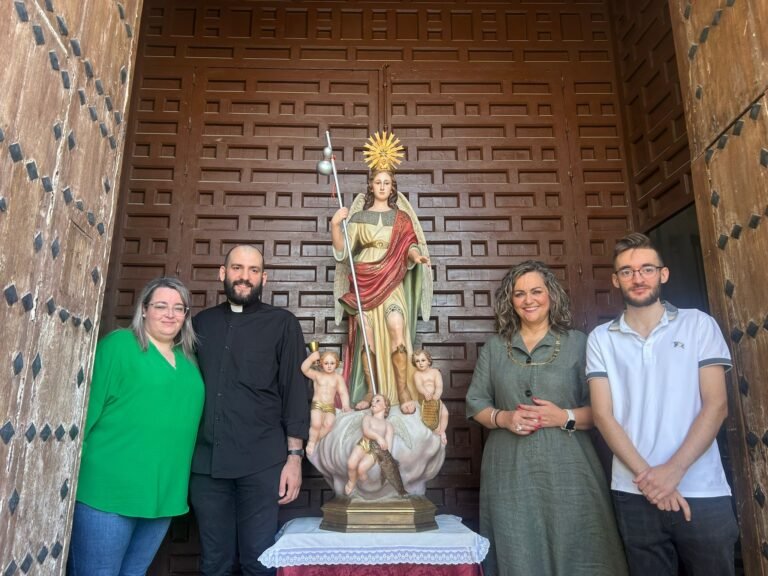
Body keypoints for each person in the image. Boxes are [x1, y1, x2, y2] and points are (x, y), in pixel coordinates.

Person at [587, 232, 738, 576]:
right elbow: (603, 415)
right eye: (626, 271)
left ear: (663, 274)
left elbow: (716, 406)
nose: (637, 278)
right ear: (615, 280)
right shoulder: (600, 339)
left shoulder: (699, 324)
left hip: (701, 488)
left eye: (646, 269)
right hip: (633, 492)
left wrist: (673, 472)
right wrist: (649, 479)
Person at [465, 260, 627, 576]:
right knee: (517, 546)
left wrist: (563, 416)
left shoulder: (580, 343)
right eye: (519, 294)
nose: (529, 300)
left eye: (536, 291)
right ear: (510, 302)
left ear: (550, 295)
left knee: (580, 545)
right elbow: (476, 404)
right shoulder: (495, 348)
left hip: (569, 468)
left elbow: (604, 411)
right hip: (510, 470)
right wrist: (505, 418)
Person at [68, 277, 204, 575]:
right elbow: (86, 413)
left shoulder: (189, 360)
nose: (170, 314)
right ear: (144, 310)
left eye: (178, 308)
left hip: (163, 496)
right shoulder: (119, 345)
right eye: (161, 306)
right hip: (107, 493)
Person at [189, 245, 309, 576]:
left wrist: (295, 458)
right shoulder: (200, 324)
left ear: (264, 278)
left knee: (259, 561)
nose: (245, 276)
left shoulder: (283, 324)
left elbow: (296, 393)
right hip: (206, 464)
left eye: (254, 270)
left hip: (262, 462)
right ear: (222, 273)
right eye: (238, 268)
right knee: (215, 563)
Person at [331, 135, 432, 415]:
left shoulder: (401, 218)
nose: (383, 187)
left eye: (387, 183)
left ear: (392, 187)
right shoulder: (359, 218)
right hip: (364, 280)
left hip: (391, 281)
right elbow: (343, 253)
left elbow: (410, 244)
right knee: (368, 337)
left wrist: (416, 256)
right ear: (371, 186)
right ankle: (371, 391)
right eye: (378, 182)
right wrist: (335, 226)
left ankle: (402, 389)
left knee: (396, 326)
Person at [301, 349, 351, 456]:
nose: (329, 366)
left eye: (332, 363)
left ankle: (315, 440)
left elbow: (343, 393)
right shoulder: (317, 375)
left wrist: (346, 405)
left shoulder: (338, 378)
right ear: (321, 363)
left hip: (330, 406)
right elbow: (304, 369)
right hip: (317, 405)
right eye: (326, 363)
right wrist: (311, 359)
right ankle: (311, 443)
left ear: (336, 363)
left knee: (328, 425)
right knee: (316, 424)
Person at [344, 394, 395, 495]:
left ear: (385, 406)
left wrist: (386, 457)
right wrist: (379, 437)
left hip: (375, 449)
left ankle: (365, 482)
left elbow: (388, 444)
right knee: (350, 463)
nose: (373, 402)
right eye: (373, 400)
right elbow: (366, 431)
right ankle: (352, 481)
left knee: (362, 468)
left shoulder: (388, 425)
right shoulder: (367, 418)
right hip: (364, 443)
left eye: (378, 400)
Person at [412, 348, 449, 444]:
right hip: (425, 401)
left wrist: (437, 395)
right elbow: (419, 386)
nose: (420, 363)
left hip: (435, 399)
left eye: (423, 360)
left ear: (429, 361)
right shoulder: (417, 374)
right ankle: (437, 432)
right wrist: (425, 392)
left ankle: (442, 431)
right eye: (417, 361)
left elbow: (439, 386)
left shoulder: (435, 372)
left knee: (445, 414)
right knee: (432, 419)